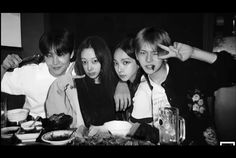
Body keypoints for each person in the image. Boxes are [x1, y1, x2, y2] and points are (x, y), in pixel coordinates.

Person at [131, 26, 236, 145]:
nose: (148, 59)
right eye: (143, 53)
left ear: (166, 54)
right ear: (137, 55)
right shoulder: (142, 89)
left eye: (155, 53)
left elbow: (231, 73)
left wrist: (194, 52)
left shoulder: (188, 74)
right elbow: (138, 131)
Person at [45, 36, 124, 128]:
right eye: (84, 62)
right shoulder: (74, 86)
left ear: (103, 59)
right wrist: (60, 84)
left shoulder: (116, 84)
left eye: (94, 61)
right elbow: (57, 118)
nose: (89, 68)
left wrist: (122, 83)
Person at [1, 28, 75, 118]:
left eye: (60, 54)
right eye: (49, 55)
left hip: (72, 127)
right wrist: (4, 67)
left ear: (71, 54)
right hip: (36, 126)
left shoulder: (79, 71)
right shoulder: (31, 74)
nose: (55, 62)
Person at [113, 36, 145, 120]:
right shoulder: (126, 82)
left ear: (139, 62)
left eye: (125, 62)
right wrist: (122, 83)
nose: (119, 69)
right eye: (116, 63)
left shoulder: (146, 86)